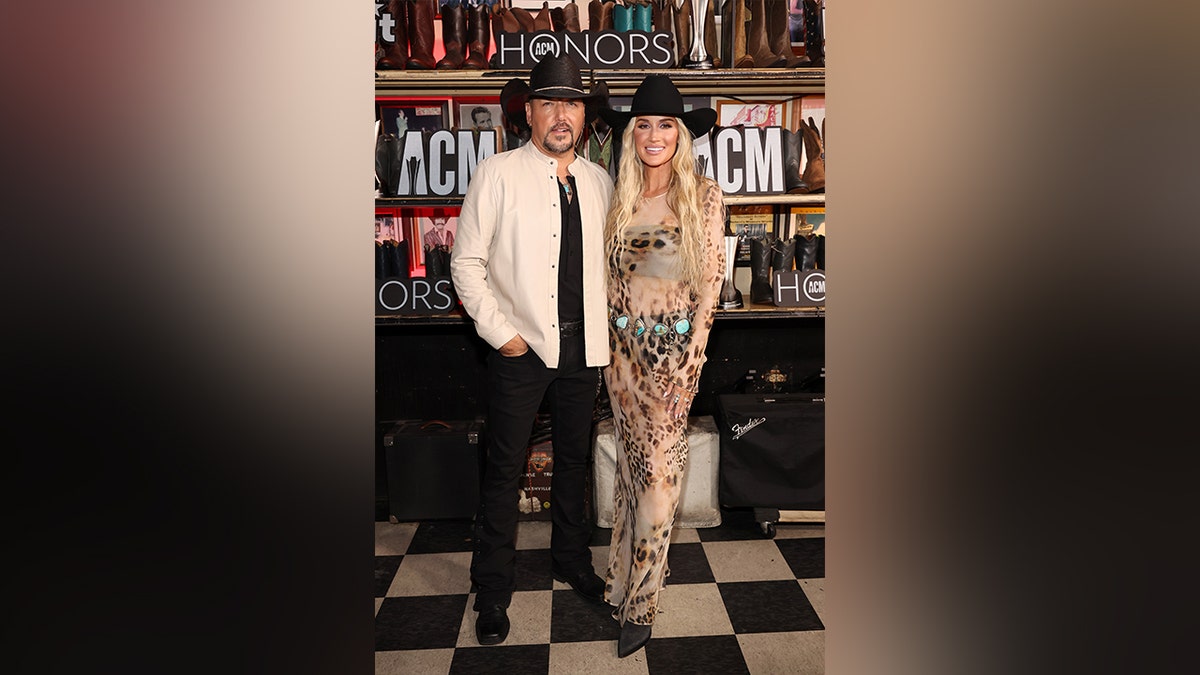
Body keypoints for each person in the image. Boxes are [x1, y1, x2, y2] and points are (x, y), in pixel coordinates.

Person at [450, 54, 613, 647]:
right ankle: (491, 591)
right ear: (529, 113)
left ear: (584, 115)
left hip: (583, 352)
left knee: (574, 464)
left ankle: (571, 560)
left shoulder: (598, 180)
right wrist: (505, 336)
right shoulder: (497, 173)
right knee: (503, 471)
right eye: (549, 103)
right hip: (521, 352)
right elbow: (465, 262)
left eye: (571, 103)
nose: (561, 114)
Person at [596, 74, 724, 658]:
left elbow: (708, 294)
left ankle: (643, 603)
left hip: (671, 365)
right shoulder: (617, 197)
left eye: (665, 124)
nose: (653, 135)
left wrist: (690, 369)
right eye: (643, 123)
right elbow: (607, 289)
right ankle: (620, 582)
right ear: (632, 133)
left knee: (661, 486)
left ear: (680, 134)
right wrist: (609, 364)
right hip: (621, 365)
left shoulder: (703, 196)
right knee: (630, 476)